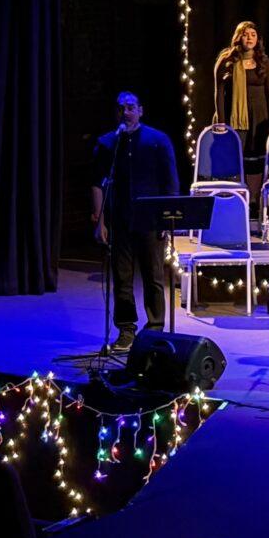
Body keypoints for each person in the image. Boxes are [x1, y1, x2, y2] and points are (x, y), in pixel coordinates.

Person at [89, 91, 182, 353]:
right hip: (120, 220)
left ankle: (154, 329)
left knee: (153, 276)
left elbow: (170, 182)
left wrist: (166, 220)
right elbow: (97, 183)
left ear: (140, 111)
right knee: (122, 278)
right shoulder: (108, 143)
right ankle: (126, 331)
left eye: (130, 108)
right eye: (121, 108)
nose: (125, 113)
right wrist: (100, 221)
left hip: (150, 221)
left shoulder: (158, 140)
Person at [213, 21, 269, 170]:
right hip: (235, 118)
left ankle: (256, 186)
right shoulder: (226, 60)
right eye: (245, 34)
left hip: (260, 119)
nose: (249, 38)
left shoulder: (264, 62)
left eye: (253, 35)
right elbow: (219, 93)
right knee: (234, 160)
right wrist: (221, 122)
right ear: (238, 37)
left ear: (258, 39)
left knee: (258, 163)